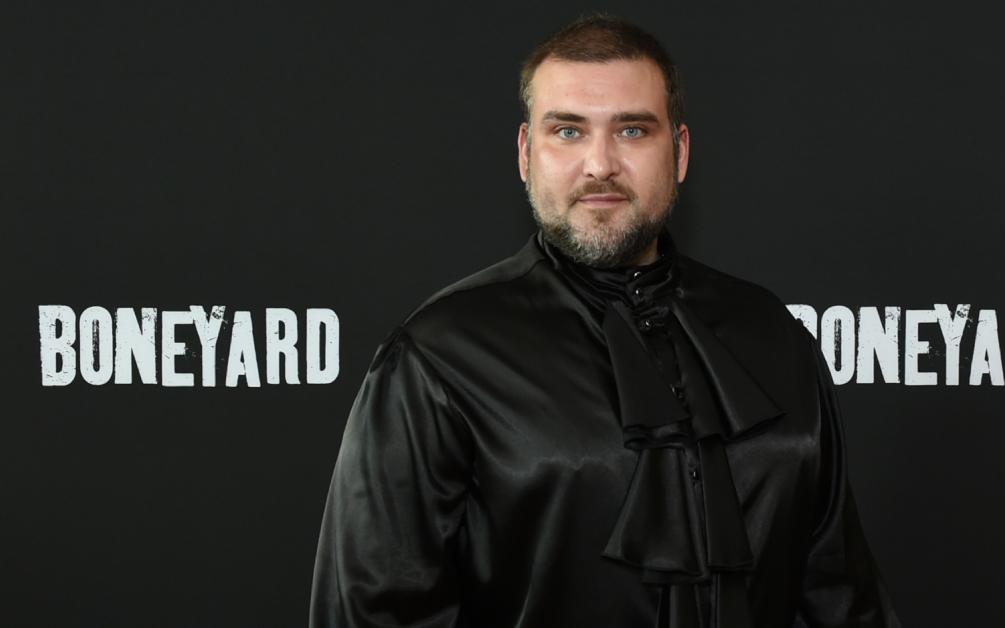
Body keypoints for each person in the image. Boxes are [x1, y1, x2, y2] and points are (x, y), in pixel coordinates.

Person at [310, 14, 901, 628]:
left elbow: (839, 598)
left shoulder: (772, 334)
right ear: (524, 153)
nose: (600, 163)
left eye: (633, 130)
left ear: (680, 151)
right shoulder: (437, 355)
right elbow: (373, 613)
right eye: (567, 130)